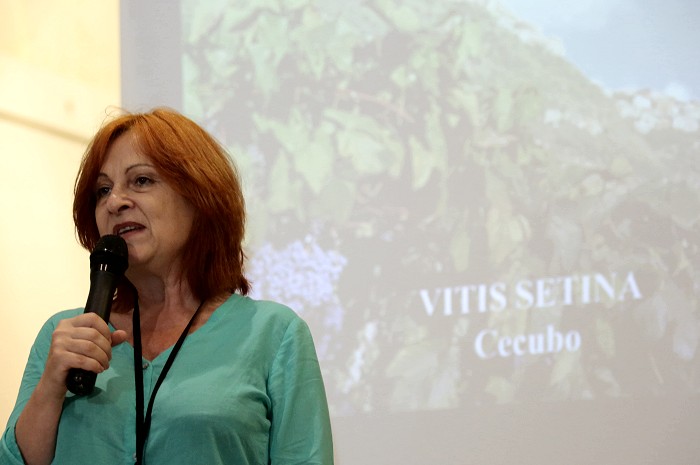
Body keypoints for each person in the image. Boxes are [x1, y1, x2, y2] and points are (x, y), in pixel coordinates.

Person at [0, 108, 334, 465]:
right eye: (103, 190)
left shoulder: (274, 335)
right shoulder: (63, 336)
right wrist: (51, 387)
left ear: (199, 196)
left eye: (141, 180)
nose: (115, 201)